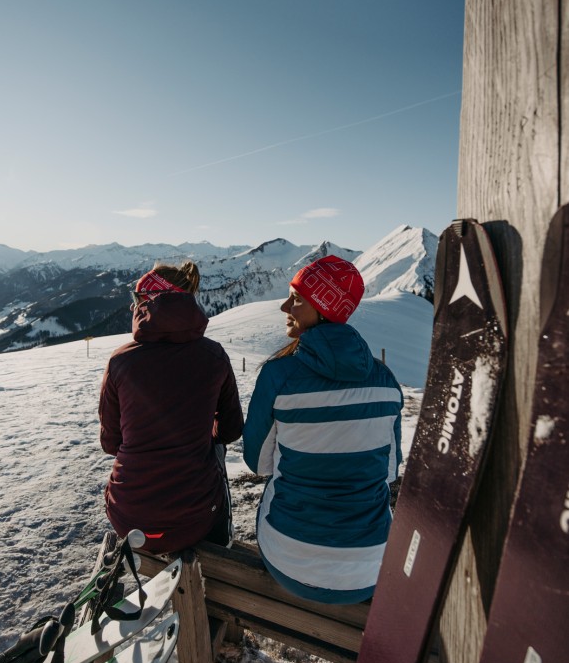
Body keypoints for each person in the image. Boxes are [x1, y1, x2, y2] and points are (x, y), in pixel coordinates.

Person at [243, 255, 402, 604]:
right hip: (370, 566)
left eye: (296, 299)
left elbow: (258, 464)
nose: (285, 305)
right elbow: (389, 471)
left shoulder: (278, 376)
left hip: (291, 561)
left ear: (323, 308)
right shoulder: (386, 381)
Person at [99, 261, 243, 554]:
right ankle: (221, 539)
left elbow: (110, 442)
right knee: (214, 450)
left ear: (150, 302)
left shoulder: (120, 361)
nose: (132, 308)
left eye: (136, 300)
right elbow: (230, 430)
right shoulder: (213, 356)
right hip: (195, 518)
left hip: (128, 517)